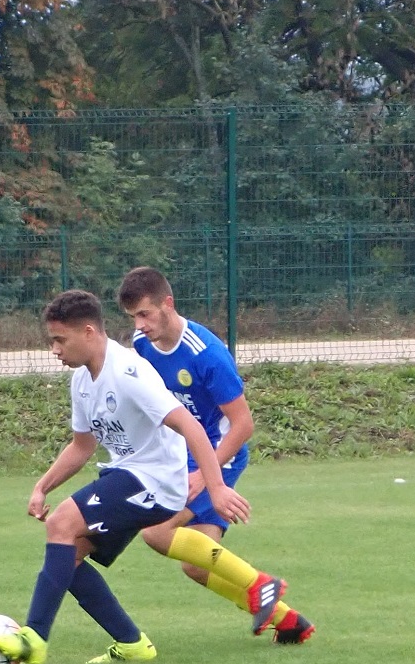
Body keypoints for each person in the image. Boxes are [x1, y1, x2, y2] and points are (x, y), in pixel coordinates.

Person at [0, 290, 282, 664]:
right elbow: (82, 446)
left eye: (60, 340)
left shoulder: (129, 373)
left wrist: (216, 486)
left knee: (61, 523)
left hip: (157, 481)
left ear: (89, 332)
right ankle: (132, 644)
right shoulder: (81, 381)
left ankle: (33, 639)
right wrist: (42, 486)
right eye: (52, 341)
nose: (55, 350)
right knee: (67, 557)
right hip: (128, 474)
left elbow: (191, 427)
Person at [117, 266, 316, 641]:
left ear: (167, 303)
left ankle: (261, 584)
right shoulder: (143, 345)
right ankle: (290, 622)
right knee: (196, 565)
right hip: (183, 455)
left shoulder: (207, 355)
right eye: (133, 317)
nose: (139, 325)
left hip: (219, 454)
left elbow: (243, 424)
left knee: (156, 532)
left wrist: (205, 475)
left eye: (145, 314)